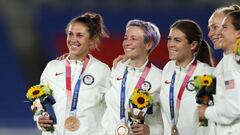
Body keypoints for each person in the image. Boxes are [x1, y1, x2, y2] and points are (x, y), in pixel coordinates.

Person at [36, 12, 111, 135]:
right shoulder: (52, 67)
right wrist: (40, 118)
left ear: (91, 41)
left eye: (80, 35)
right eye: (70, 34)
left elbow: (113, 108)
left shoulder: (102, 70)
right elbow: (40, 102)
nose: (73, 39)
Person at [102, 19, 163, 135]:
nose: (127, 43)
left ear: (148, 44)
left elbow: (169, 119)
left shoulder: (159, 78)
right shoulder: (117, 69)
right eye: (126, 38)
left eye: (133, 39)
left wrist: (152, 131)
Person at [159, 19, 215, 135]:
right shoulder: (168, 68)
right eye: (169, 39)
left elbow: (203, 119)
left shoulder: (204, 73)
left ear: (193, 45)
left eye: (177, 40)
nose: (171, 44)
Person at [198, 10, 240, 135]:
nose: (212, 33)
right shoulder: (222, 65)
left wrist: (206, 112)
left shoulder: (233, 62)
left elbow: (234, 107)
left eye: (221, 27)